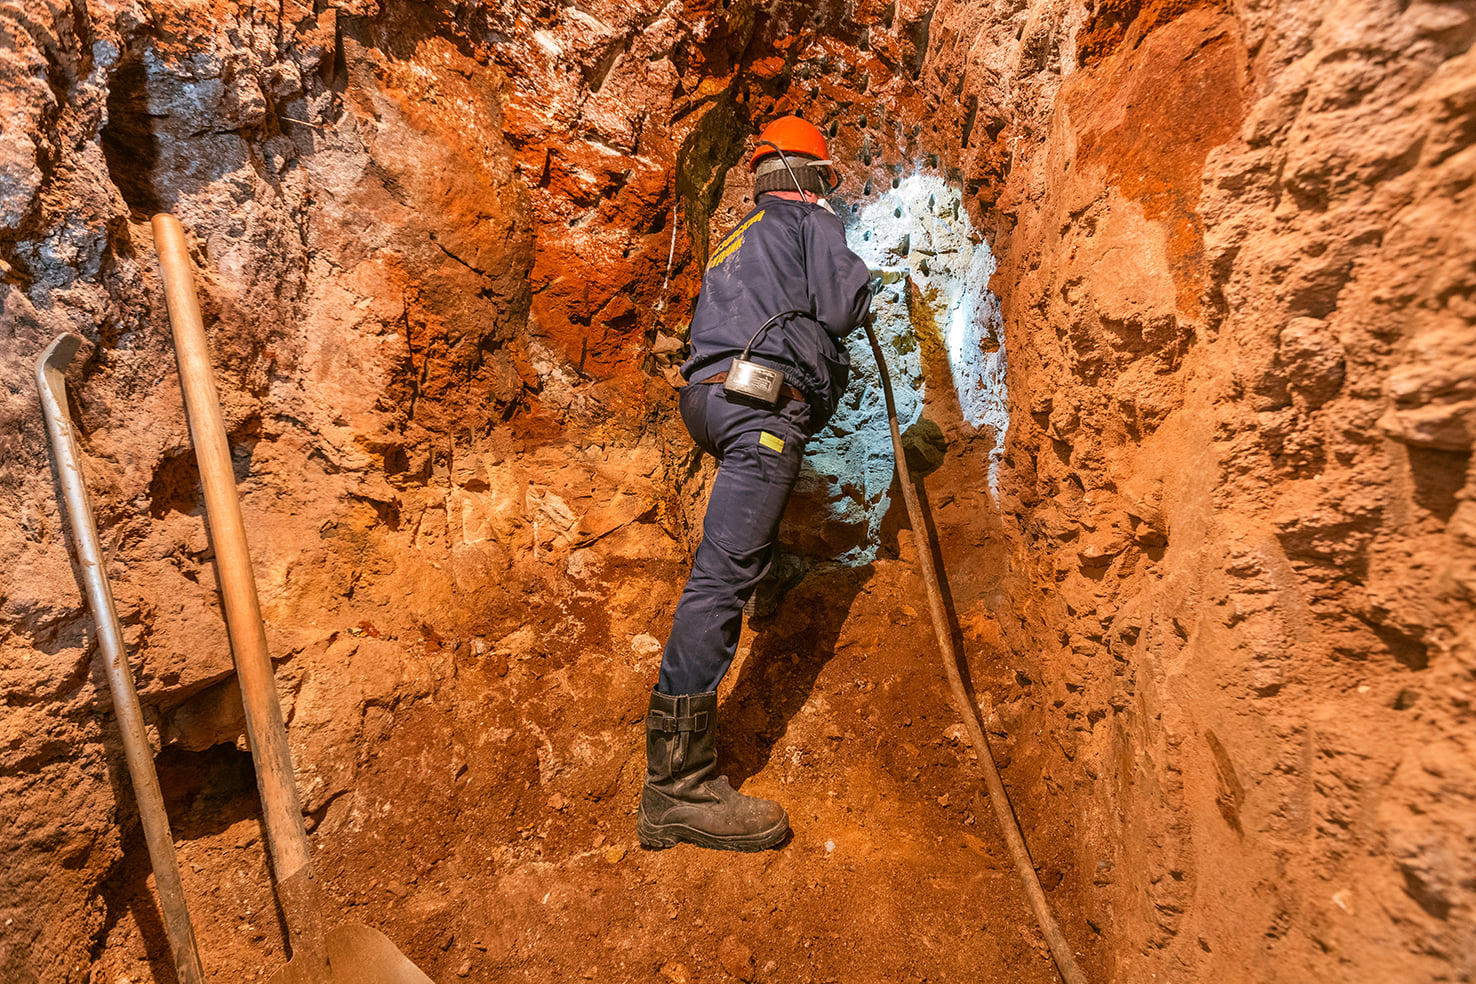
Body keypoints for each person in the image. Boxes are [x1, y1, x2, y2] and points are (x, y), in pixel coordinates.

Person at [638, 116, 874, 852]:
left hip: (709, 401)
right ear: (810, 177)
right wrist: (843, 247)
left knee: (735, 554)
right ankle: (675, 790)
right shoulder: (808, 219)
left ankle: (762, 584)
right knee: (719, 580)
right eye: (825, 180)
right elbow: (843, 307)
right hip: (761, 410)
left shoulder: (740, 236)